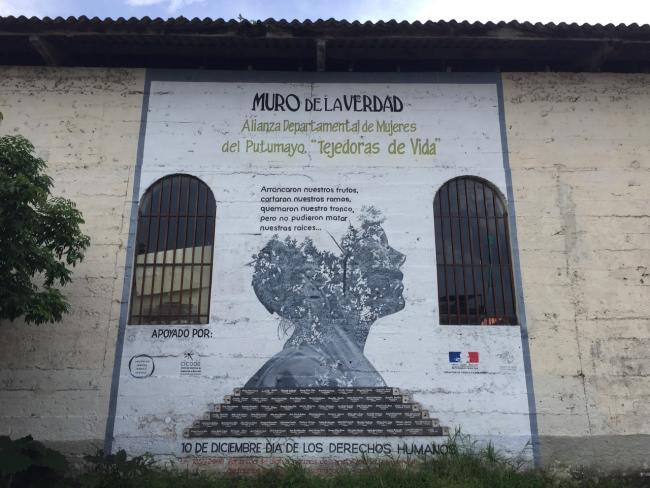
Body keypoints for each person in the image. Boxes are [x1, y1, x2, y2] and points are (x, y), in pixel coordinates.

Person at [245, 213, 405, 388]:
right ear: (324, 277)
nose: (399, 256)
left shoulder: (323, 365)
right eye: (377, 241)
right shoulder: (305, 372)